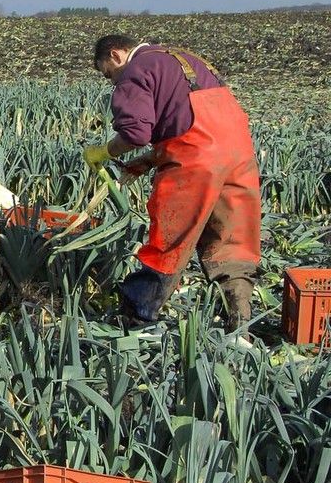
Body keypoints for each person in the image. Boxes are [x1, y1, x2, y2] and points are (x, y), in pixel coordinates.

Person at [83, 34, 261, 331]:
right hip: (240, 155)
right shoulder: (187, 58)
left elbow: (135, 134)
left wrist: (103, 151)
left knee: (169, 243)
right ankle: (240, 324)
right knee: (232, 241)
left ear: (116, 55)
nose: (113, 81)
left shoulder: (136, 70)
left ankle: (137, 319)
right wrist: (152, 159)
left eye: (109, 74)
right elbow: (193, 123)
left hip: (195, 163)